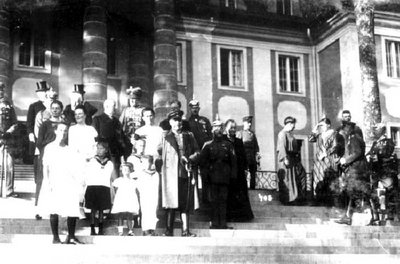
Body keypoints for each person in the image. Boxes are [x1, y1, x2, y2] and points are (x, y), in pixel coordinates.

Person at [39, 122, 84, 244]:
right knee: (54, 207)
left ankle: (71, 236)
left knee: (72, 207)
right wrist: (47, 181)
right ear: (55, 131)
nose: (63, 133)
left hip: (68, 180)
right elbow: (45, 167)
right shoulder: (49, 147)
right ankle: (55, 237)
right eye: (61, 130)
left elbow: (74, 167)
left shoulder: (69, 149)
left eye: (65, 131)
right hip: (54, 180)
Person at [157, 109, 200, 237]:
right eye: (175, 121)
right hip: (170, 174)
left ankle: (186, 231)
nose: (178, 123)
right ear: (170, 122)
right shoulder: (165, 137)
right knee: (170, 202)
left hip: (185, 172)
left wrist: (190, 158)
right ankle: (168, 230)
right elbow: (159, 152)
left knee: (185, 203)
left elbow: (198, 152)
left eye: (179, 121)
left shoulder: (189, 135)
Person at [199, 118, 236, 229]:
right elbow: (202, 161)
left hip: (225, 177)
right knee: (213, 200)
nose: (218, 130)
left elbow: (233, 161)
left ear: (223, 129)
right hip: (212, 177)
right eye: (215, 128)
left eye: (220, 128)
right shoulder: (207, 145)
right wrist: (205, 176)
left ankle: (223, 223)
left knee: (224, 200)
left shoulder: (228, 145)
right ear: (212, 130)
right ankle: (215, 223)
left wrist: (233, 176)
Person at [35, 100, 65, 219]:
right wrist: (48, 148)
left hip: (60, 156)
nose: (55, 110)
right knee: (43, 180)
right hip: (47, 154)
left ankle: (57, 208)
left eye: (57, 108)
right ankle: (39, 209)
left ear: (61, 110)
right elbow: (39, 142)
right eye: (53, 108)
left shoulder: (65, 124)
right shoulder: (45, 124)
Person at [335, 122, 368, 225]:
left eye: (343, 130)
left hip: (357, 169)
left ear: (348, 129)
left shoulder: (354, 138)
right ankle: (348, 216)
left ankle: (348, 216)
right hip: (358, 168)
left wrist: (345, 160)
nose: (342, 132)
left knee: (350, 192)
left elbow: (357, 153)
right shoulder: (355, 138)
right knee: (352, 193)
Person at [366, 123, 399, 225]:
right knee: (371, 193)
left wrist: (376, 157)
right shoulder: (375, 143)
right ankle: (375, 216)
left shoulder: (389, 142)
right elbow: (370, 154)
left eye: (377, 129)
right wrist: (368, 157)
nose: (375, 131)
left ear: (383, 130)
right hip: (375, 171)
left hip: (386, 171)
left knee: (391, 193)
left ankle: (390, 216)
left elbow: (387, 154)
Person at [308, 118, 344, 205]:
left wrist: (325, 154)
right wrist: (315, 128)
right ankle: (318, 199)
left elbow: (335, 147)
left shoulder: (334, 134)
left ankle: (330, 201)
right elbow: (310, 139)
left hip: (329, 159)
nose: (321, 127)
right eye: (320, 126)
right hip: (319, 161)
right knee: (318, 179)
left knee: (329, 178)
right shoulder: (320, 135)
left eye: (323, 125)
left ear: (328, 125)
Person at [84, 139, 116, 235]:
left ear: (106, 150)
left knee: (102, 209)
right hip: (93, 186)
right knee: (93, 209)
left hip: (104, 186)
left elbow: (110, 175)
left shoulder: (109, 163)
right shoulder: (91, 161)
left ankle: (101, 228)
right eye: (97, 148)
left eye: (101, 148)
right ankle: (92, 228)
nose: (99, 150)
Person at [224, 119, 254, 222]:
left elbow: (243, 156)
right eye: (231, 127)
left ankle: (241, 216)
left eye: (234, 128)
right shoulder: (223, 140)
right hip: (227, 173)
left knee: (240, 194)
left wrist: (245, 169)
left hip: (239, 172)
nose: (233, 130)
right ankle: (229, 216)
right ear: (225, 128)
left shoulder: (238, 141)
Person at [128, 138, 159, 236]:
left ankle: (150, 228)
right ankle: (137, 225)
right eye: (140, 145)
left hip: (147, 183)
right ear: (135, 146)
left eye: (143, 146)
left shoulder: (147, 158)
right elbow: (130, 173)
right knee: (139, 205)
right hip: (136, 182)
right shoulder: (132, 158)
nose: (142, 148)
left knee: (150, 206)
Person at [92, 99, 132, 175]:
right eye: (114, 106)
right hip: (103, 155)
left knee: (115, 176)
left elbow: (121, 138)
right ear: (106, 107)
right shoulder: (97, 120)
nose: (115, 108)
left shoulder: (116, 121)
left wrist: (124, 152)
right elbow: (94, 138)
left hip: (115, 155)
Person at [276, 116, 306, 204]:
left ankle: (293, 198)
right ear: (289, 124)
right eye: (293, 125)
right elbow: (282, 147)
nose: (294, 127)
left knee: (292, 178)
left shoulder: (289, 134)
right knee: (287, 179)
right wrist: (285, 158)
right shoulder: (282, 134)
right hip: (286, 159)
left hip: (292, 159)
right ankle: (287, 199)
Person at [111, 162, 140, 236]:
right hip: (121, 199)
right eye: (124, 169)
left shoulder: (133, 181)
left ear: (131, 170)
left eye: (127, 169)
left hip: (130, 199)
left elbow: (136, 191)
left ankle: (130, 230)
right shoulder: (118, 180)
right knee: (120, 214)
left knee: (129, 214)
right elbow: (114, 188)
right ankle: (120, 231)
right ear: (121, 170)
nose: (125, 171)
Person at [0, 82, 18, 198]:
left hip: (7, 140)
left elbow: (15, 123)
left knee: (9, 166)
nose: (0, 92)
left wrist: (8, 132)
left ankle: (9, 190)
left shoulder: (8, 106)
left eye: (1, 90)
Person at [236, 116, 260, 190]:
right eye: (248, 123)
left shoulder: (252, 134)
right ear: (244, 123)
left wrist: (257, 156)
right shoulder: (240, 133)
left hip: (252, 158)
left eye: (250, 123)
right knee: (244, 173)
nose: (249, 124)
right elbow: (237, 146)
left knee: (253, 173)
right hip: (244, 157)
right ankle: (243, 188)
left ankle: (252, 188)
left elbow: (256, 147)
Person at [26, 81, 47, 164]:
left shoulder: (51, 105)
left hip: (47, 134)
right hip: (36, 134)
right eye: (40, 92)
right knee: (37, 157)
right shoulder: (34, 105)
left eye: (44, 92)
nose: (43, 94)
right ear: (38, 94)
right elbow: (29, 122)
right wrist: (30, 133)